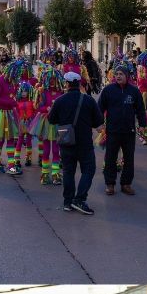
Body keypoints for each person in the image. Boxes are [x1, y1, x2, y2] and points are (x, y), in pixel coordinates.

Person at [49, 71, 104, 215]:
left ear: (66, 84)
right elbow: (98, 122)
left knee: (68, 171)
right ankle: (79, 199)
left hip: (66, 141)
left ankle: (68, 202)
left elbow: (51, 120)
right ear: (79, 84)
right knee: (88, 170)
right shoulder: (89, 100)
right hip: (84, 142)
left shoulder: (60, 101)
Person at [97, 63, 147, 197]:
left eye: (121, 74)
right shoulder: (108, 90)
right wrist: (99, 124)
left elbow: (141, 109)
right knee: (110, 158)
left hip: (129, 131)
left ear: (127, 76)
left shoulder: (134, 91)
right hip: (112, 131)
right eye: (116, 74)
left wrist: (142, 124)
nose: (118, 76)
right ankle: (110, 184)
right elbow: (99, 109)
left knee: (129, 159)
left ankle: (126, 184)